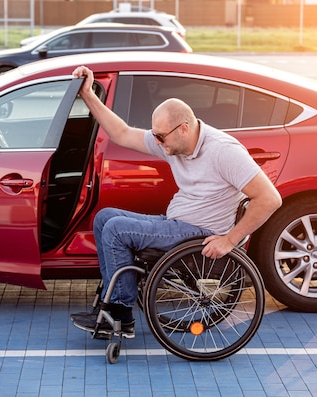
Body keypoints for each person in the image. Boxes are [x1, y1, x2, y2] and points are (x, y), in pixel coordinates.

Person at [70, 65, 282, 338]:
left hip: (198, 232)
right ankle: (116, 299)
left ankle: (120, 313)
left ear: (183, 129)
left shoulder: (223, 151)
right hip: (177, 224)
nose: (157, 142)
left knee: (116, 230)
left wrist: (229, 240)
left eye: (161, 136)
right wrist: (88, 94)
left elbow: (269, 198)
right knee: (104, 218)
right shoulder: (173, 142)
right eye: (155, 135)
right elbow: (121, 133)